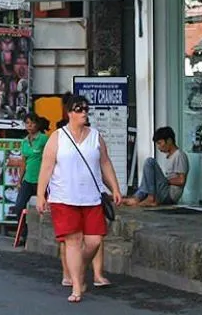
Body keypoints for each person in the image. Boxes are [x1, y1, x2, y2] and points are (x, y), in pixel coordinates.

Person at [37, 95, 123, 303]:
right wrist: (41, 194)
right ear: (69, 113)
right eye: (79, 109)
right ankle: (77, 286)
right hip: (64, 197)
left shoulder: (95, 136)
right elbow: (47, 167)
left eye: (86, 109)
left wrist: (115, 187)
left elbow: (105, 163)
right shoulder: (57, 137)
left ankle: (78, 269)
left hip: (91, 197)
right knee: (73, 241)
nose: (84, 112)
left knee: (94, 241)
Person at [122, 126, 189, 207]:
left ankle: (149, 198)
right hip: (164, 191)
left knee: (150, 162)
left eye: (160, 143)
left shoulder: (179, 155)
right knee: (148, 178)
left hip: (170, 195)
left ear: (169, 141)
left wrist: (165, 181)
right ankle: (137, 198)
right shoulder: (169, 156)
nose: (158, 147)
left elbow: (181, 180)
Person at [14, 112, 48, 243]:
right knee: (19, 206)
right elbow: (23, 162)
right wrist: (19, 180)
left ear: (37, 124)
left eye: (32, 123)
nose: (30, 125)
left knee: (45, 209)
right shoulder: (24, 141)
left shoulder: (44, 139)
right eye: (27, 123)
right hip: (28, 179)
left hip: (42, 180)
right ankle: (24, 233)